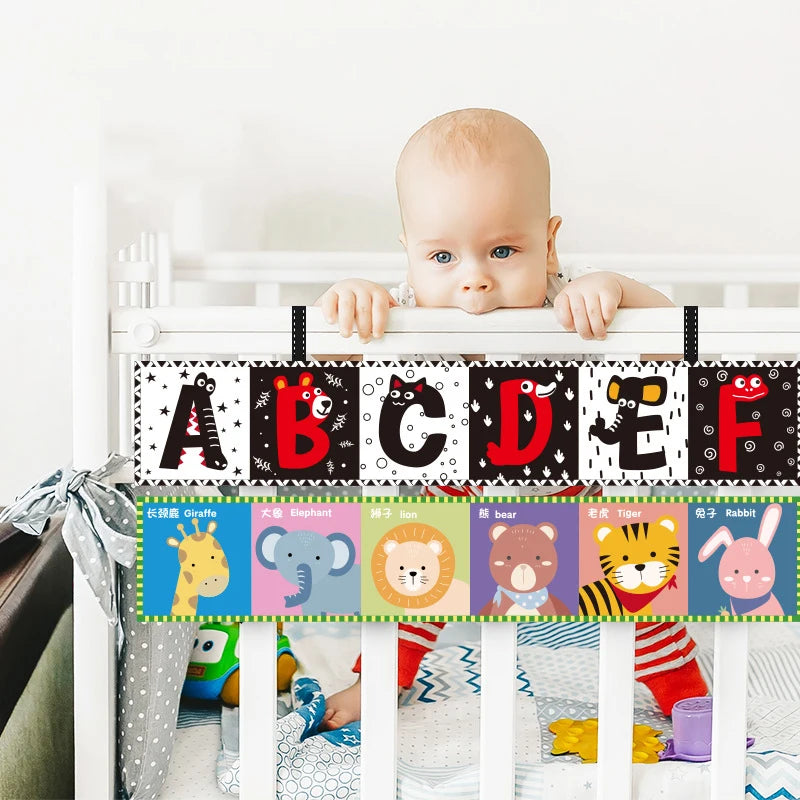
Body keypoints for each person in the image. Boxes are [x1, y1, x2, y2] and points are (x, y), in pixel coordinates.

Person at [315, 108, 708, 730]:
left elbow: (672, 342)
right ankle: (378, 684)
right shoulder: (407, 308)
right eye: (441, 255)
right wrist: (348, 300)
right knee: (411, 587)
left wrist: (620, 291)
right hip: (455, 489)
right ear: (408, 252)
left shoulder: (567, 297)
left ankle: (685, 695)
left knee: (643, 589)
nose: (473, 280)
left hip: (577, 488)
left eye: (503, 250)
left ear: (549, 244)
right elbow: (322, 374)